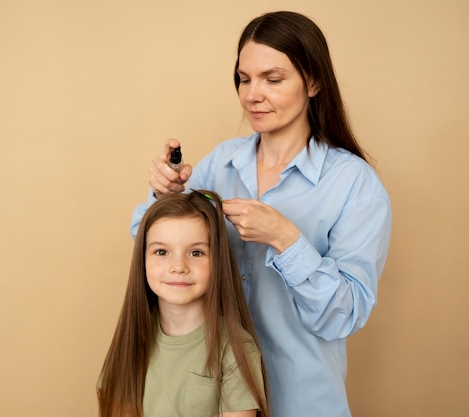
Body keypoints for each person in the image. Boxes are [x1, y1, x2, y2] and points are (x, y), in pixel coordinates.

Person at [130, 10, 393, 417]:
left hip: (301, 402)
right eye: (244, 79)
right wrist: (163, 196)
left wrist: (286, 239)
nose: (253, 94)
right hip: (212, 399)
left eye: (272, 79)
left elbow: (345, 315)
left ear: (314, 82)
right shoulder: (220, 164)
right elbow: (149, 247)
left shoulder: (355, 187)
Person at [99, 190, 269, 417]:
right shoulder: (131, 340)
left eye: (196, 252)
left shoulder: (236, 350)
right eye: (162, 251)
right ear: (143, 260)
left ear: (217, 261)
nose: (178, 266)